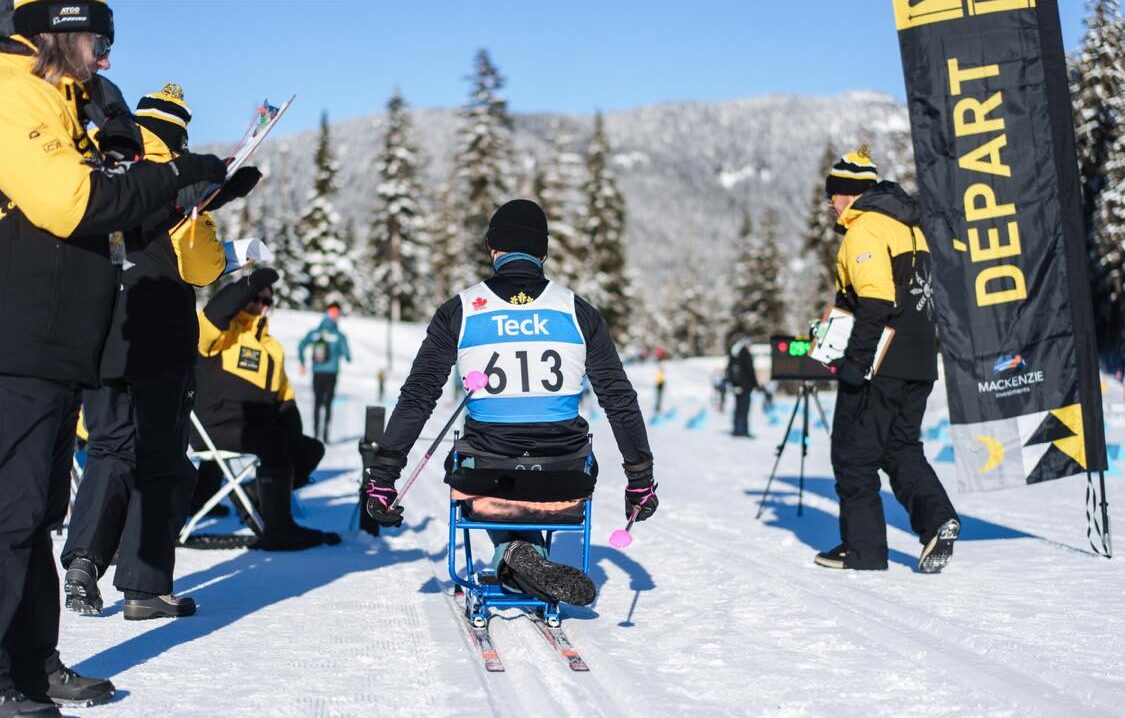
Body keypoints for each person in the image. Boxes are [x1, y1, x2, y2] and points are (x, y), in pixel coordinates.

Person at [0, 0, 228, 712]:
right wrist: (169, 175)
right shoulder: (14, 91)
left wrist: (182, 191)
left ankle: (34, 663)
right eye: (97, 40)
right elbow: (72, 203)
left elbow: (113, 207)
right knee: (11, 515)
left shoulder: (66, 102)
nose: (104, 57)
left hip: (59, 342)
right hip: (18, 338)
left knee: (35, 514)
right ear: (56, 32)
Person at [361, 199, 657, 606]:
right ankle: (526, 558)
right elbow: (618, 399)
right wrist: (640, 479)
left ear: (492, 249)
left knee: (485, 467)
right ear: (543, 252)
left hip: (487, 471)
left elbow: (419, 395)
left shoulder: (459, 309)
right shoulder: (577, 309)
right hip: (564, 472)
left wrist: (383, 475)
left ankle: (516, 556)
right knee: (535, 471)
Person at [61, 83, 262, 620]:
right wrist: (210, 214)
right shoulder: (181, 179)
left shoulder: (104, 162)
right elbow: (200, 268)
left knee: (107, 449)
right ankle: (143, 588)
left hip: (101, 334)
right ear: (180, 133)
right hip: (160, 339)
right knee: (162, 462)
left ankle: (82, 564)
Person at [815, 145, 959, 573]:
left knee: (853, 455)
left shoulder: (865, 230)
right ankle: (937, 519)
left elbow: (877, 300)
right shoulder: (909, 226)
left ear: (850, 194)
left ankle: (864, 551)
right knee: (900, 448)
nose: (829, 202)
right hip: (920, 360)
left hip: (880, 361)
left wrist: (855, 363)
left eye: (834, 193)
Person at [192, 269, 341, 550]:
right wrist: (251, 282)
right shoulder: (220, 333)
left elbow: (284, 398)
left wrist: (294, 438)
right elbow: (217, 309)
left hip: (254, 430)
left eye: (267, 302)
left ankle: (254, 496)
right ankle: (279, 528)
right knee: (274, 442)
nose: (261, 306)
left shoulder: (272, 347)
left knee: (309, 449)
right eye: (254, 299)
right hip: (215, 428)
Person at [298, 301, 351, 442]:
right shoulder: (339, 335)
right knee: (328, 403)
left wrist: (302, 362)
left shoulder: (315, 332)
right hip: (332, 373)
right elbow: (347, 356)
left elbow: (301, 346)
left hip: (317, 372)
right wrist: (344, 353)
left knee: (317, 402)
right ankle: (326, 434)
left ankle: (316, 434)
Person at [726, 337, 759, 437]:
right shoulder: (745, 355)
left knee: (738, 409)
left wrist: (733, 384)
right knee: (744, 409)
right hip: (745, 387)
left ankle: (737, 429)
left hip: (737, 387)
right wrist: (755, 384)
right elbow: (750, 372)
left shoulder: (735, 356)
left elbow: (729, 372)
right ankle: (742, 430)